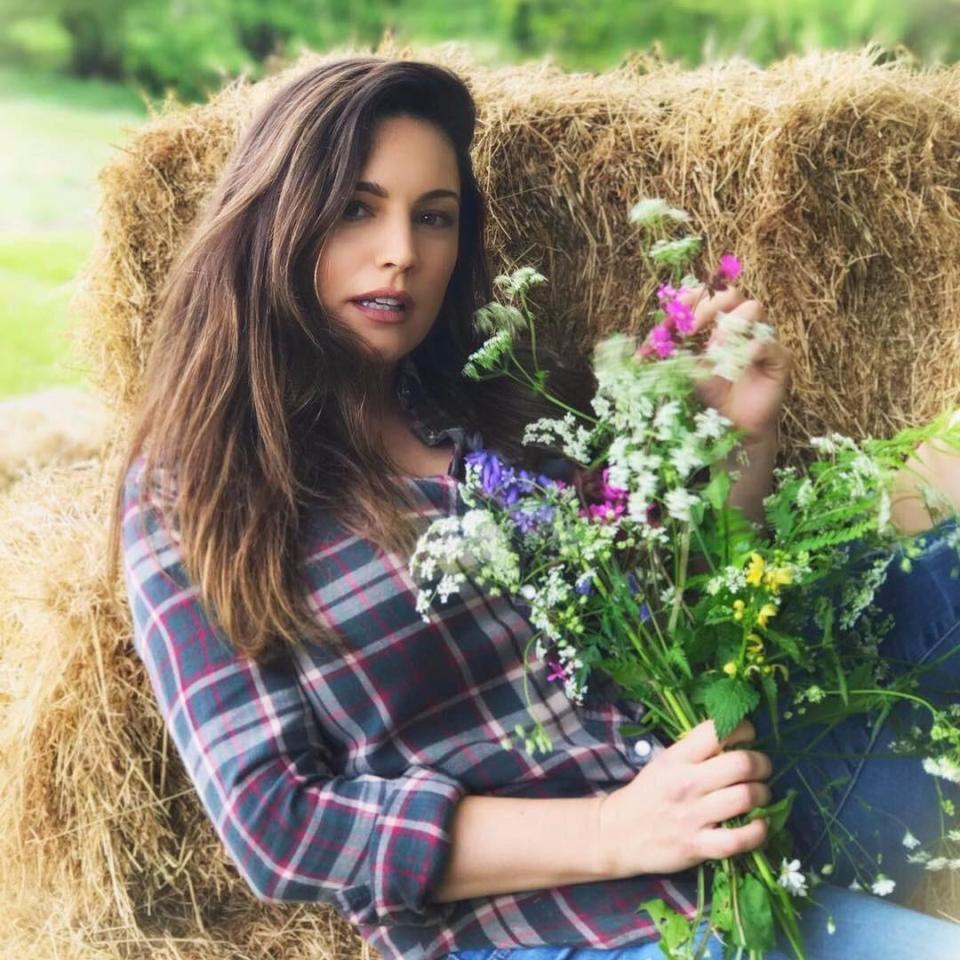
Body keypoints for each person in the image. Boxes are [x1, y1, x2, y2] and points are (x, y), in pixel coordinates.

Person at [112, 56, 960, 960]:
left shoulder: (491, 406)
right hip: (555, 922)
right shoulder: (195, 488)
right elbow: (275, 824)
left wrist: (737, 440)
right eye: (358, 208)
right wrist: (616, 831)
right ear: (274, 215)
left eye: (432, 217)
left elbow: (687, 620)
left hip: (720, 782)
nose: (401, 249)